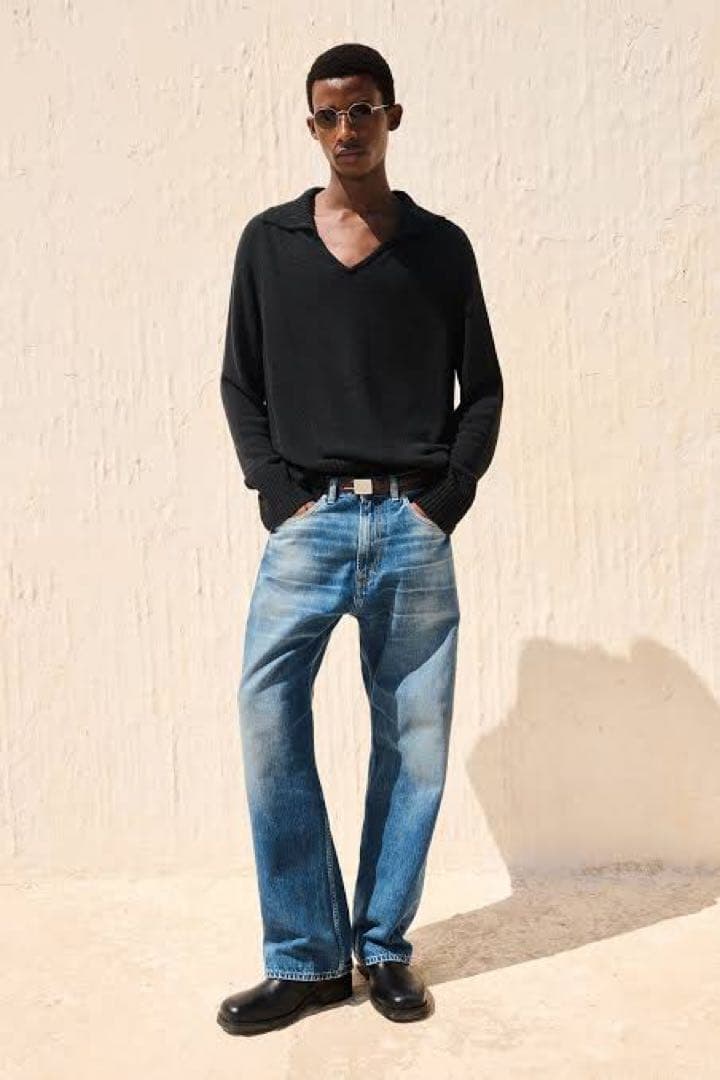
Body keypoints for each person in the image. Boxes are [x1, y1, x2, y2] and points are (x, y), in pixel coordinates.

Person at [217, 42, 503, 1035]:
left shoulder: (439, 248)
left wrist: (445, 499)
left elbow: (484, 389)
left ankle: (381, 949)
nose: (348, 129)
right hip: (310, 524)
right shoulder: (270, 243)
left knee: (413, 740)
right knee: (266, 715)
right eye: (331, 114)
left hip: (414, 527)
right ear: (312, 126)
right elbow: (240, 382)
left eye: (365, 110)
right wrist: (276, 494)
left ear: (392, 117)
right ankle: (305, 960)